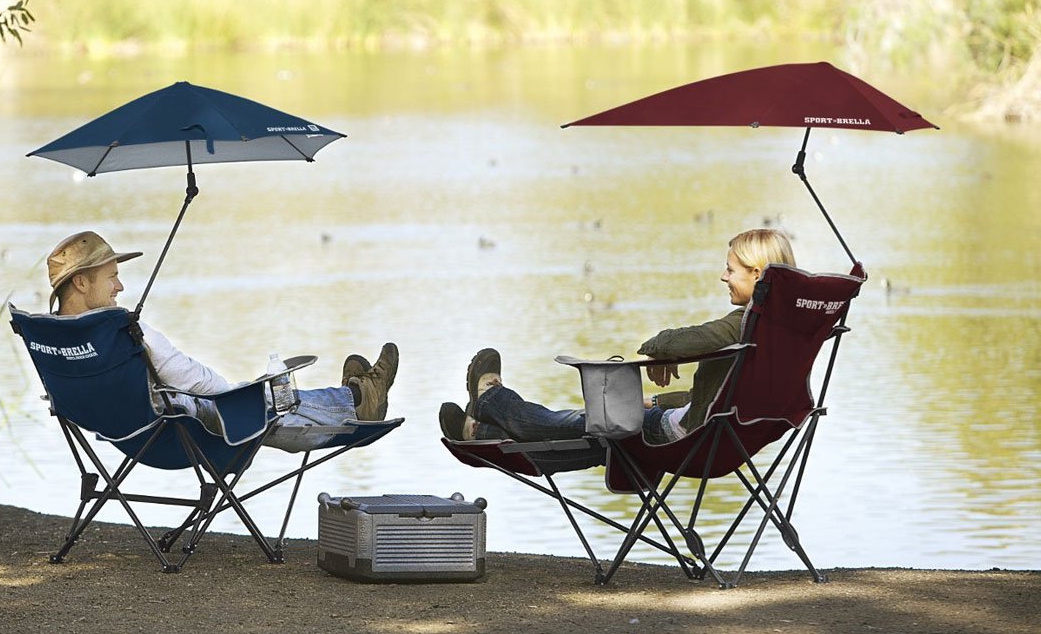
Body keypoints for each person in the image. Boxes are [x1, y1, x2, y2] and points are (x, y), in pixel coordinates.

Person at [46, 231, 398, 451]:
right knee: (267, 404)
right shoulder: (120, 328)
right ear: (80, 282)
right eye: (112, 277)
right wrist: (237, 393)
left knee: (269, 403)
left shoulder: (52, 339)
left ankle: (353, 397)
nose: (120, 288)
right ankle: (356, 398)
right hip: (176, 430)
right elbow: (192, 379)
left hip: (126, 434)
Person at [439, 228, 796, 445]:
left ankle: (493, 401)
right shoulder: (788, 329)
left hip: (687, 437)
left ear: (757, 273)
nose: (723, 276)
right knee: (593, 435)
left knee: (590, 424)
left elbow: (688, 341)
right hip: (729, 435)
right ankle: (481, 434)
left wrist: (658, 350)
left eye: (731, 270)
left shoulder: (746, 324)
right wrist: (657, 403)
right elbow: (719, 397)